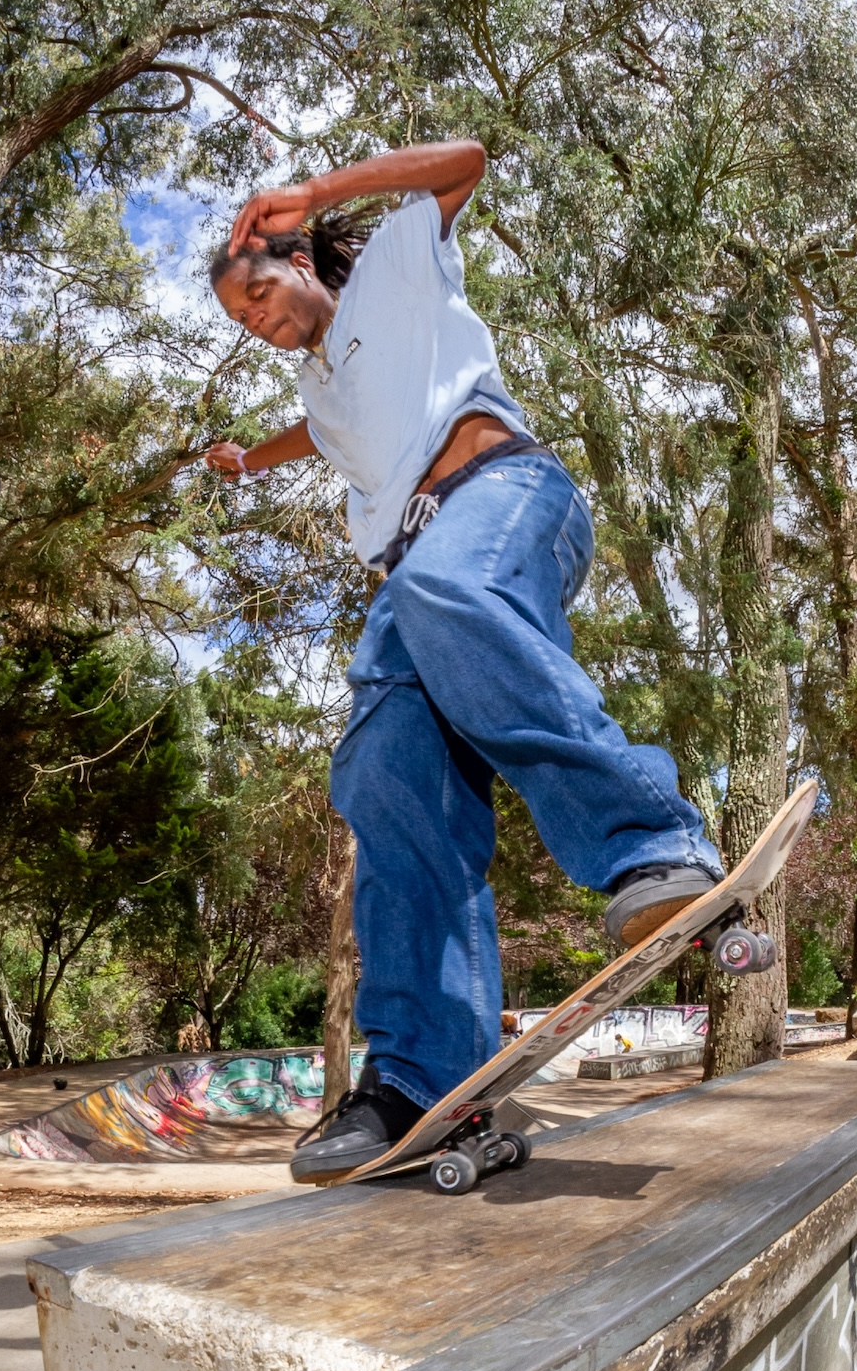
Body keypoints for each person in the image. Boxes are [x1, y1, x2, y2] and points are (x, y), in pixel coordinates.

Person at [206, 141, 722, 1181]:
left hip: (504, 498)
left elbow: (464, 161)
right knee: (379, 768)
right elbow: (321, 432)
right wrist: (246, 458)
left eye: (262, 292)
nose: (261, 320)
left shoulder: (397, 264)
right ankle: (416, 1079)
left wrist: (318, 190)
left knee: (447, 587)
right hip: (411, 570)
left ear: (300, 261)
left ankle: (651, 844)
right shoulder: (320, 393)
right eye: (243, 320)